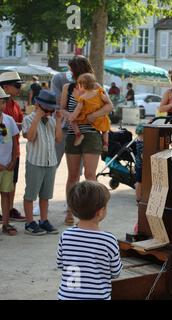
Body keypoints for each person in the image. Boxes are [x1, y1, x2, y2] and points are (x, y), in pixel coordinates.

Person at [60, 55, 113, 226]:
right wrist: (70, 116)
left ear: (77, 70)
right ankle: (70, 211)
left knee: (90, 176)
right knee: (73, 176)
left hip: (91, 134)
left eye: (70, 69)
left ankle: (95, 212)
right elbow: (61, 109)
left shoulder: (96, 87)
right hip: (72, 134)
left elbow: (109, 106)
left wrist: (92, 116)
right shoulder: (68, 88)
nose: (68, 72)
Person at [57, 181, 122, 300]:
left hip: (66, 297)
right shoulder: (108, 240)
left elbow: (61, 264)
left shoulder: (66, 235)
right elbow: (116, 272)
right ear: (101, 212)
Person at [22, 90, 63, 235]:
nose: (49, 113)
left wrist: (58, 120)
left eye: (51, 110)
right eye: (47, 110)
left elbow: (58, 139)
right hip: (35, 162)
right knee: (31, 194)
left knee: (45, 195)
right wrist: (37, 118)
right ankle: (29, 222)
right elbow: (31, 137)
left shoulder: (52, 120)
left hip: (50, 162)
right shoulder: (28, 119)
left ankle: (43, 220)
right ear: (38, 105)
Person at [0, 71, 26, 222]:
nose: (19, 89)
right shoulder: (7, 107)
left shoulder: (15, 105)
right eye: (17, 86)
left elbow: (19, 126)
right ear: (6, 87)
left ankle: (8, 211)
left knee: (11, 183)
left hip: (12, 152)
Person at [68, 73, 110, 151]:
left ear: (82, 86)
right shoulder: (99, 93)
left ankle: (78, 135)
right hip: (100, 118)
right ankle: (105, 144)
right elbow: (108, 102)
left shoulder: (82, 98)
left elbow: (77, 110)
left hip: (86, 118)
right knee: (105, 131)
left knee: (73, 122)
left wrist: (72, 117)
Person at [0, 87, 20, 235]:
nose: (1, 105)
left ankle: (6, 223)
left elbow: (15, 142)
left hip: (8, 166)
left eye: (2, 102)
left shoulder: (9, 120)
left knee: (6, 194)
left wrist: (14, 160)